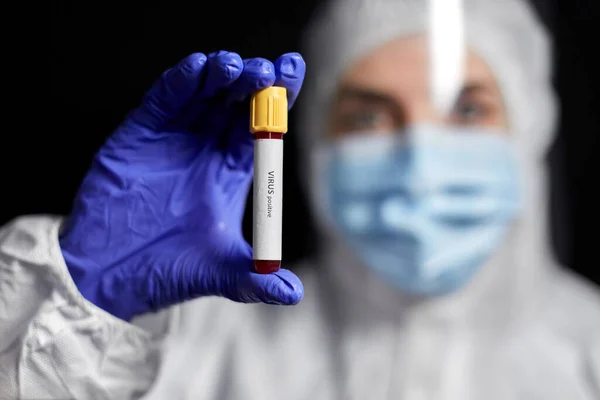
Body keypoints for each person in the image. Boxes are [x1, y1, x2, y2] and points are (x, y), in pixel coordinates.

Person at [1, 0, 599, 398]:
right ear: (313, 139)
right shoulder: (180, 345)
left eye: (467, 110)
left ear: (530, 129)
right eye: (367, 115)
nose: (418, 153)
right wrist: (85, 299)